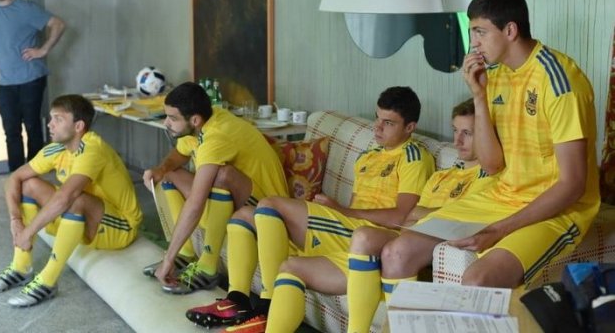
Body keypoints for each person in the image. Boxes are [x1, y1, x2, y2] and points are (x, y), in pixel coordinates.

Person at [366, 0, 600, 321]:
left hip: (559, 209)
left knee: (476, 280)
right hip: (502, 194)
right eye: (471, 31)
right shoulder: (496, 75)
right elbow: (492, 166)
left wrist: (500, 229)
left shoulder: (559, 82)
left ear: (510, 30)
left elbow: (573, 185)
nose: (473, 42)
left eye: (480, 31)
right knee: (397, 252)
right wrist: (478, 94)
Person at [187, 86, 436, 333]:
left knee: (270, 205)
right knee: (244, 219)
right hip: (347, 232)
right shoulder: (367, 157)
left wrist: (342, 211)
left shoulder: (413, 156)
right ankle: (238, 300)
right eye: (377, 118)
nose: (378, 128)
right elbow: (358, 206)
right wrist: (341, 212)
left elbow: (401, 216)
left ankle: (266, 305)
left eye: (389, 123)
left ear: (410, 127)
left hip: (371, 235)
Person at [345, 98, 497, 332]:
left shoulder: (488, 177)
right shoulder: (441, 177)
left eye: (468, 133)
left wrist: (426, 214)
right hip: (411, 235)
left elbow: (464, 215)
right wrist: (430, 213)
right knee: (363, 236)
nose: (457, 141)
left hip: (440, 244)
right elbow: (410, 216)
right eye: (455, 131)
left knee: (394, 251)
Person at [0, 94, 142, 307]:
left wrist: (27, 233)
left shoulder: (92, 148)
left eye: (58, 119)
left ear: (78, 126)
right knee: (29, 184)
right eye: (51, 118)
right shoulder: (58, 148)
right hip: (85, 218)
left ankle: (48, 282)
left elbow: (66, 196)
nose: (50, 124)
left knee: (73, 198)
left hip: (120, 227)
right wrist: (15, 220)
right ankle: (21, 268)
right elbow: (14, 178)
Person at [143, 82, 288, 295]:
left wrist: (167, 259)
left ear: (194, 120)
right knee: (169, 174)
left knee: (222, 175)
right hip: (237, 197)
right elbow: (181, 153)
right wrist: (160, 169)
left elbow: (196, 203)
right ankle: (186, 254)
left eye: (173, 118)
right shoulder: (205, 120)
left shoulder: (216, 136)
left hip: (268, 208)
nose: (166, 123)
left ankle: (208, 267)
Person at [0, 0, 66, 172]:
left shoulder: (26, 9)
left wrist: (43, 50)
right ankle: (16, 175)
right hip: (5, 83)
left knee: (33, 128)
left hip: (31, 79)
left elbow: (58, 24)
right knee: (11, 132)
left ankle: (34, 174)